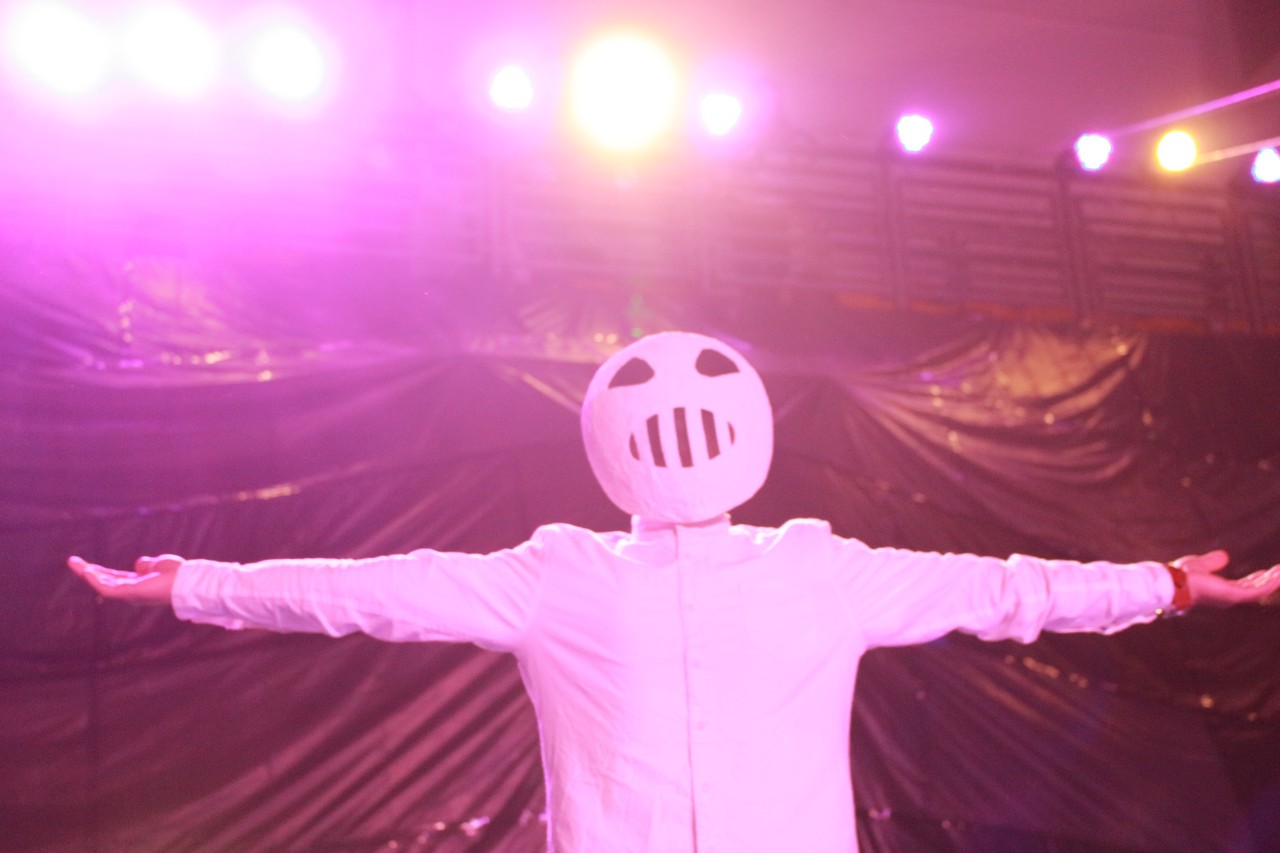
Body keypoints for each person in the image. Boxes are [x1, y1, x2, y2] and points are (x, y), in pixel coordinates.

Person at [69, 331, 1280, 853]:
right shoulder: (590, 576)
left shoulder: (790, 570)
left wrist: (1165, 586)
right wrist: (198, 584)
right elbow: (374, 591)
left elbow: (1011, 591)